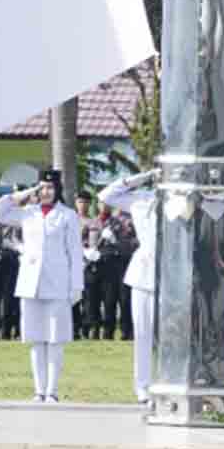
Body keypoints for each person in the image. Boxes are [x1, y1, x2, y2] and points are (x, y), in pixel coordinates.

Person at [0, 169, 85, 402]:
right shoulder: (26, 213)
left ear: (58, 190)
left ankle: (52, 391)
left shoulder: (67, 215)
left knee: (55, 338)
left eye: (50, 188)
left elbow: (74, 251)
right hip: (31, 282)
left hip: (58, 283)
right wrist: (28, 191)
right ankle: (38, 390)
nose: (46, 192)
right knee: (35, 338)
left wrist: (76, 286)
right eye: (42, 188)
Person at [102, 169, 159, 404]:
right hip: (144, 271)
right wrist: (142, 177)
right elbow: (106, 195)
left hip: (173, 273)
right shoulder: (140, 199)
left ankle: (165, 383)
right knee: (143, 333)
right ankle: (143, 387)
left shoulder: (183, 199)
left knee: (169, 336)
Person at [100, 201, 139, 341]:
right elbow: (101, 242)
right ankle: (108, 331)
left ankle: (126, 330)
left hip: (126, 261)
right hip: (110, 262)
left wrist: (117, 242)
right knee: (109, 299)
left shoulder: (133, 220)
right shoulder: (109, 220)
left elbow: (136, 242)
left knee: (125, 298)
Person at [75, 192, 101, 339]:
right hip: (71, 263)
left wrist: (87, 256)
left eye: (85, 202)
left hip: (87, 264)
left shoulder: (93, 222)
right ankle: (74, 328)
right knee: (73, 299)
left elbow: (93, 244)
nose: (82, 205)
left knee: (89, 299)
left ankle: (89, 327)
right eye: (80, 201)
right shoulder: (70, 220)